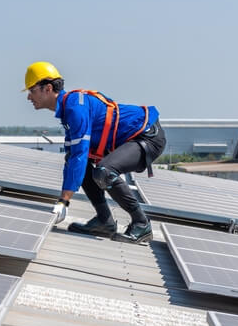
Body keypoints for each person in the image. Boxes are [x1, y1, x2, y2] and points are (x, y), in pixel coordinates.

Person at [24, 61, 166, 243]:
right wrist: (63, 198)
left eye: (32, 90)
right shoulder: (69, 109)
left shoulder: (75, 108)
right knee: (77, 163)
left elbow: (80, 154)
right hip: (136, 138)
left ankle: (142, 223)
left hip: (147, 137)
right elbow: (73, 158)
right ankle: (104, 221)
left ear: (48, 88)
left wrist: (64, 201)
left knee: (104, 171)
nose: (29, 97)